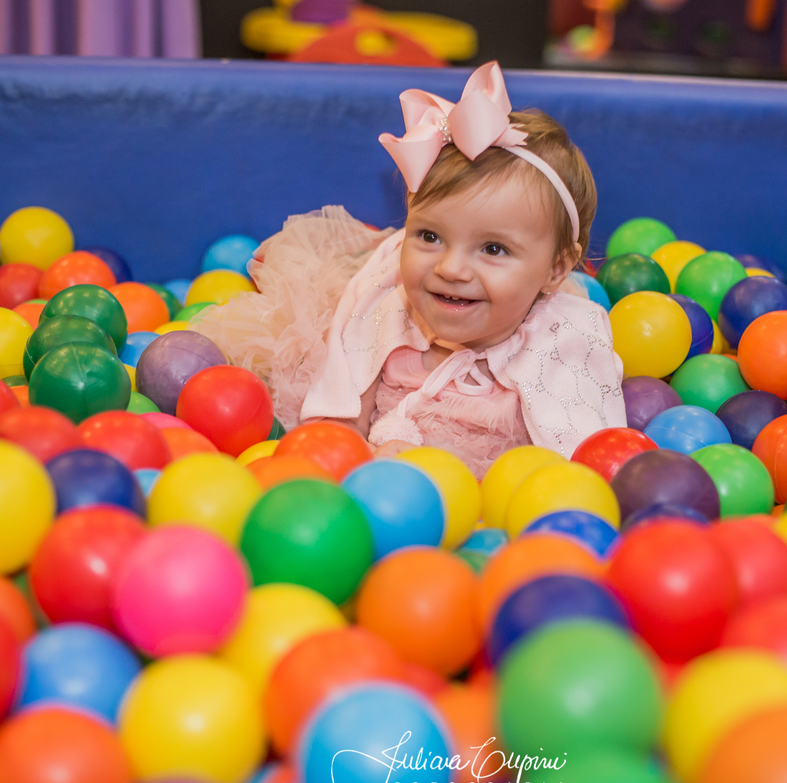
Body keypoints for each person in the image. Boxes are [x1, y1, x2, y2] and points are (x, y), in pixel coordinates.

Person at [191, 61, 625, 477]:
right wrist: (360, 459)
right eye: (429, 236)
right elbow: (340, 415)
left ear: (555, 269)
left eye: (493, 248)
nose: (451, 268)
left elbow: (585, 465)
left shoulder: (565, 342)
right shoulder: (387, 302)